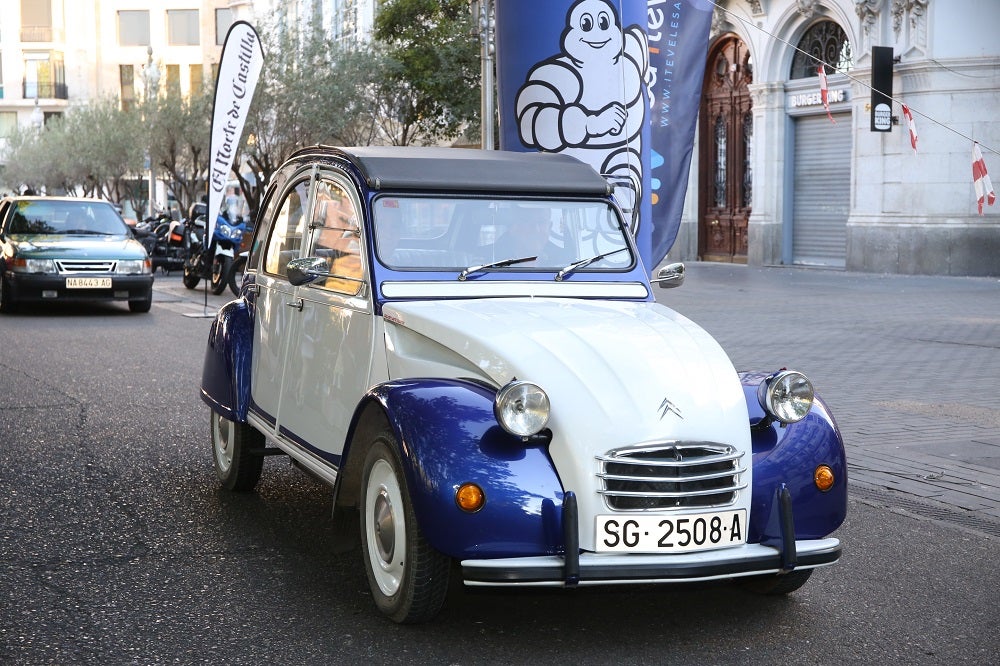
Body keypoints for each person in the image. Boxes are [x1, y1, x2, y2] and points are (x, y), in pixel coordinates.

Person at [492, 206, 561, 263]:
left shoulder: (563, 260)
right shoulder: (489, 258)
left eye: (542, 222)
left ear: (549, 227)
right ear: (512, 227)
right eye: (527, 221)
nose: (536, 230)